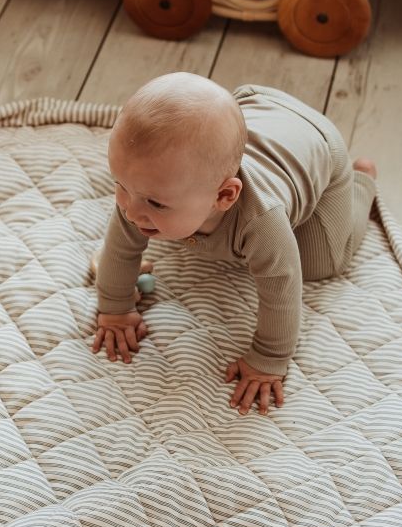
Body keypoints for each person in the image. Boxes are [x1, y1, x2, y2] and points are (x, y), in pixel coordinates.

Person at [92, 73, 377, 415]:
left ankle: (362, 181)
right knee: (171, 200)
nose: (130, 209)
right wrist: (115, 306)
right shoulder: (140, 197)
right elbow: (121, 249)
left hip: (318, 146)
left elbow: (282, 289)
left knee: (322, 262)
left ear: (225, 196)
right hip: (256, 106)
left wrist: (270, 357)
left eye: (156, 203)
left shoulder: (263, 221)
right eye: (120, 183)